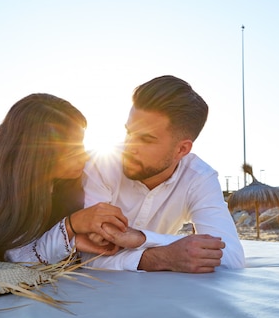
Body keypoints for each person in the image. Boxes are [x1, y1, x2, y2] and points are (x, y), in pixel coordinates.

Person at [81, 75, 246, 272]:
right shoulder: (102, 165)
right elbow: (87, 256)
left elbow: (230, 257)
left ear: (181, 150)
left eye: (146, 139)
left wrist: (141, 238)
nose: (129, 146)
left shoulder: (199, 178)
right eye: (129, 132)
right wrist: (161, 257)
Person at [0, 93, 134, 264]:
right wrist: (71, 225)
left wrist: (75, 240)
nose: (84, 157)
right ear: (37, 154)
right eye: (71, 149)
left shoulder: (70, 181)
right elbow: (15, 259)